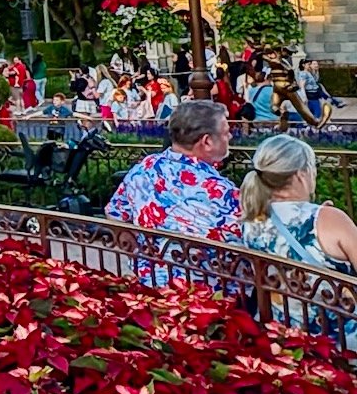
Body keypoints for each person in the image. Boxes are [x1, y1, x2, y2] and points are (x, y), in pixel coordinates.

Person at [105, 101, 241, 283]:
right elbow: (252, 246)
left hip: (151, 285)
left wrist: (139, 255)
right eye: (225, 132)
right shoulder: (222, 192)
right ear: (207, 141)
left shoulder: (146, 167)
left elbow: (115, 213)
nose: (230, 136)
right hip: (208, 298)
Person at [241, 134, 357, 336]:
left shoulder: (252, 219)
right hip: (340, 340)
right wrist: (329, 217)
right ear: (301, 175)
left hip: (286, 335)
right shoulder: (329, 218)